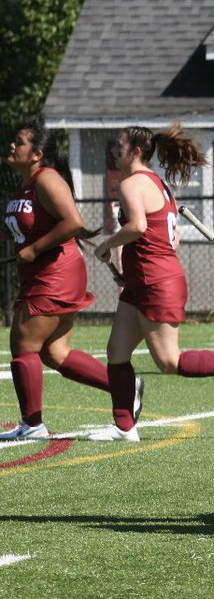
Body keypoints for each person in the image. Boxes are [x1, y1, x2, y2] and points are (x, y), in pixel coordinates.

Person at [91, 125, 214, 443]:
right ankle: (124, 427)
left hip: (156, 283)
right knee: (116, 352)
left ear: (136, 151)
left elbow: (137, 225)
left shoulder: (132, 183)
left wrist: (106, 245)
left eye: (119, 145)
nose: (113, 150)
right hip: (144, 281)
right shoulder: (155, 183)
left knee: (169, 362)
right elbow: (170, 239)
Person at [1, 122, 116, 440]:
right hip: (42, 275)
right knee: (56, 352)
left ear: (37, 154)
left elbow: (73, 222)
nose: (13, 146)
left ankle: (33, 424)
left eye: (20, 142)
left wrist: (35, 249)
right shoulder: (24, 186)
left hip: (56, 273)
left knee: (23, 341)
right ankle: (124, 388)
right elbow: (20, 228)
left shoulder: (47, 179)